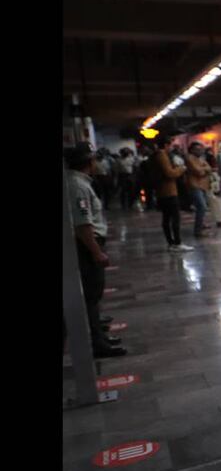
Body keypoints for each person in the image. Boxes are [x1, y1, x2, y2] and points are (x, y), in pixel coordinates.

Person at [66, 143, 125, 358]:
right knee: (91, 296)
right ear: (89, 162)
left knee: (93, 296)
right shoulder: (78, 186)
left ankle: (99, 336)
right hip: (86, 246)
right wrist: (96, 251)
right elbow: (83, 224)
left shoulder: (77, 182)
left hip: (87, 244)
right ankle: (97, 344)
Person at [155, 137, 192, 253]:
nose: (171, 148)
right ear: (166, 145)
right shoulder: (162, 156)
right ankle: (176, 243)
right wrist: (181, 169)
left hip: (163, 191)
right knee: (174, 218)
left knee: (167, 218)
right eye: (171, 145)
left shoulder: (158, 155)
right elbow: (169, 173)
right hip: (168, 191)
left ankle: (172, 243)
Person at [186, 142, 212, 238]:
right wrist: (205, 169)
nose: (200, 151)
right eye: (197, 149)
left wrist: (204, 169)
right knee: (202, 206)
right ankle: (198, 230)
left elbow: (209, 168)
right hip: (195, 185)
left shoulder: (201, 158)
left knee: (202, 206)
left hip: (202, 185)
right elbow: (199, 172)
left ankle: (201, 226)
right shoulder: (190, 159)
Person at [205, 148, 221, 227]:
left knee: (217, 204)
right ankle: (219, 220)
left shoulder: (212, 171)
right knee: (217, 204)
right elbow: (215, 184)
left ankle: (220, 219)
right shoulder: (212, 172)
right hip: (214, 190)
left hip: (214, 189)